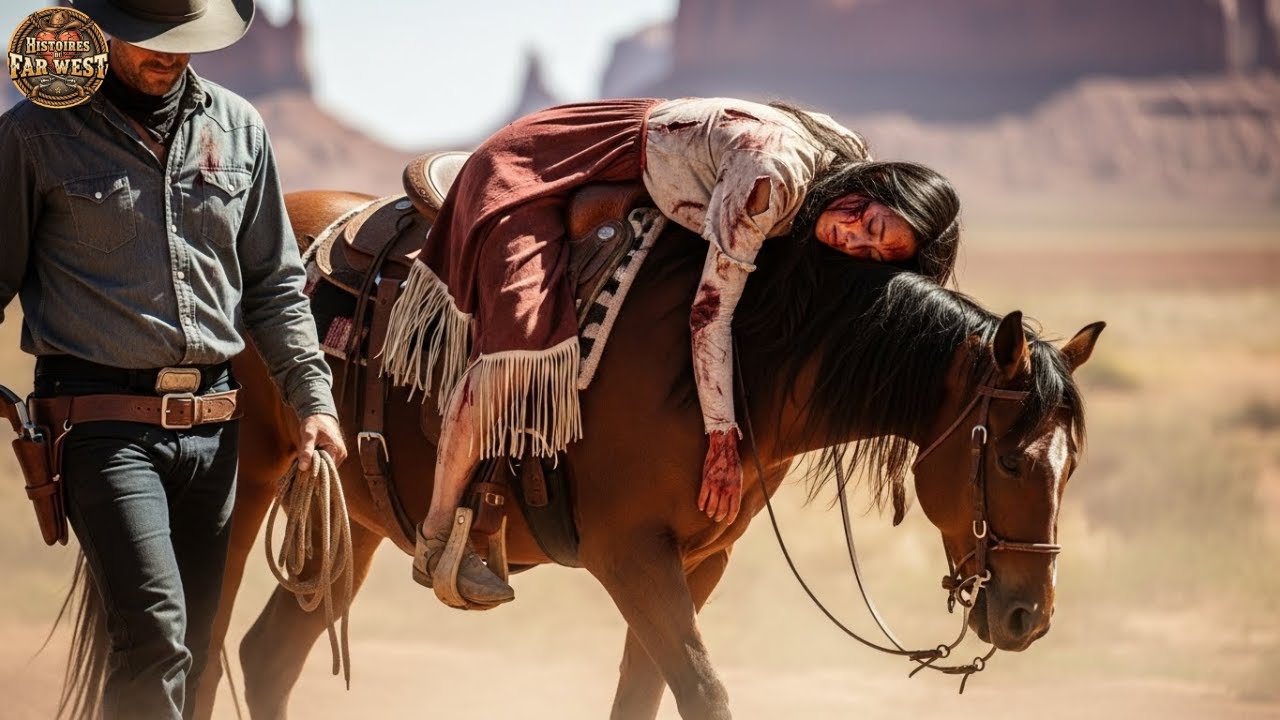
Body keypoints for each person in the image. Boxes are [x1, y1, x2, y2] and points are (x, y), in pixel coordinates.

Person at [382, 97, 960, 609]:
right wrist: (720, 434)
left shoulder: (841, 168)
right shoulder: (770, 182)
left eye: (875, 251)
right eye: (871, 221)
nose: (852, 239)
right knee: (522, 343)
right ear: (874, 186)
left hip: (650, 175)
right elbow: (711, 312)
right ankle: (437, 536)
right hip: (546, 164)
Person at [0, 1, 347, 717]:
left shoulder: (241, 128)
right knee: (156, 638)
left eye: (188, 40)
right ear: (102, 25)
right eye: (154, 40)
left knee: (197, 646)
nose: (172, 55)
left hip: (219, 425)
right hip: (99, 424)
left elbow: (277, 289)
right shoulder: (34, 135)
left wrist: (313, 401)